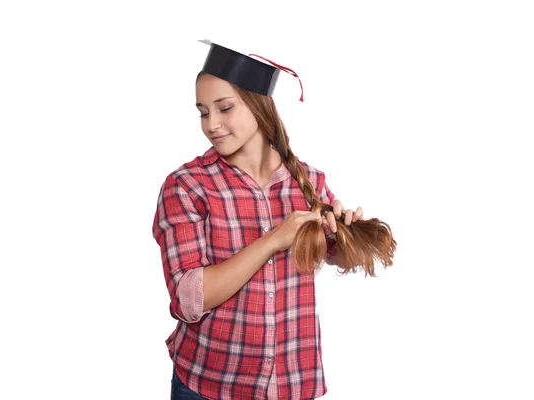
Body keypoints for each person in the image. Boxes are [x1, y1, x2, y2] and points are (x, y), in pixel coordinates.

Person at [152, 41, 377, 400]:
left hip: (292, 381)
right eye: (202, 112)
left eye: (224, 108)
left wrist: (350, 236)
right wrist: (273, 239)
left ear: (259, 106)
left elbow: (338, 257)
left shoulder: (311, 181)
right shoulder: (187, 186)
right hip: (209, 384)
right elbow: (189, 300)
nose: (211, 124)